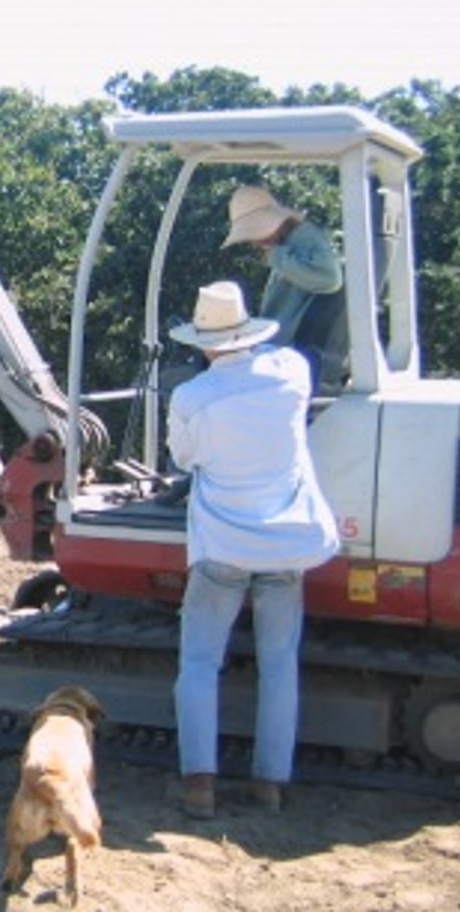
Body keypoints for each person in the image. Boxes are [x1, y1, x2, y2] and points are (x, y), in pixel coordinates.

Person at [164, 280, 340, 819]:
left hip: (222, 544)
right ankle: (269, 785)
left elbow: (182, 459)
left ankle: (199, 785)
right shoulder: (291, 373)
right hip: (287, 544)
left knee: (198, 663)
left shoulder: (192, 397)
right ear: (248, 329)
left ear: (201, 341)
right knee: (279, 663)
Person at [223, 185, 347, 392]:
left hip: (286, 351)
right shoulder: (288, 245)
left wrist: (277, 257)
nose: (255, 242)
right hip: (281, 348)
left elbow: (331, 279)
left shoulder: (303, 241)